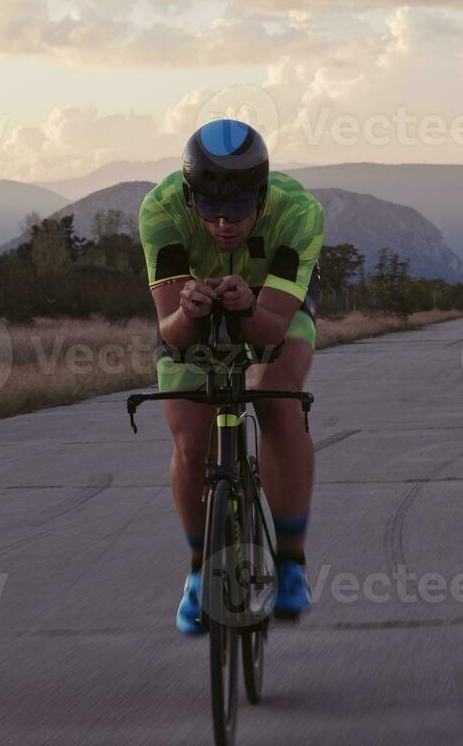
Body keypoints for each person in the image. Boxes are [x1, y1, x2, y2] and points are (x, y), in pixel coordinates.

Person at [138, 118, 324, 634]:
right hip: (191, 311)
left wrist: (246, 309)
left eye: (239, 207)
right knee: (189, 439)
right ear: (189, 194)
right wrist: (191, 311)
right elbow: (173, 335)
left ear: (261, 195)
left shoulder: (298, 212)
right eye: (209, 208)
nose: (223, 223)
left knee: (274, 396)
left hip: (272, 304)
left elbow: (269, 328)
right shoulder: (160, 209)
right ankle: (199, 571)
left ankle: (289, 562)